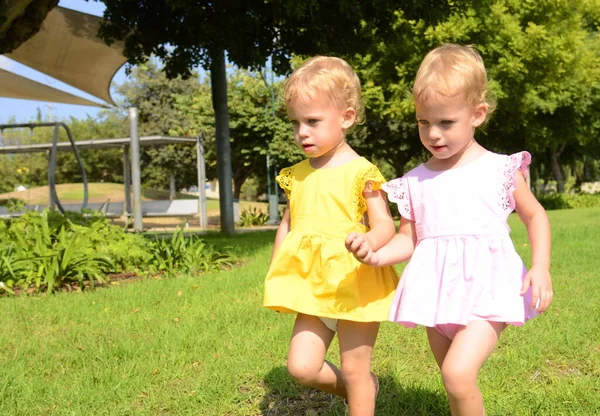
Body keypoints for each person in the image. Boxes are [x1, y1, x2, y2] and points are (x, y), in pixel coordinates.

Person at [346, 44, 553, 416]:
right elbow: (408, 239)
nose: (433, 134)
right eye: (424, 122)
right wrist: (374, 254)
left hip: (487, 290)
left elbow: (535, 216)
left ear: (477, 114)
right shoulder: (416, 181)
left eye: (446, 122)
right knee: (452, 380)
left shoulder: (498, 169)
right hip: (436, 295)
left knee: (458, 376)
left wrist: (540, 267)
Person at [264, 56, 399, 415]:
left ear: (347, 118)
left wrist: (369, 242)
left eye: (312, 121)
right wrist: (277, 269)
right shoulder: (297, 174)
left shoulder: (362, 171)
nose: (301, 132)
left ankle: (361, 391)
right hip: (312, 284)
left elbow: (386, 224)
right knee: (302, 367)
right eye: (295, 123)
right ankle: (363, 391)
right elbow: (289, 225)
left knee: (356, 370)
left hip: (355, 281)